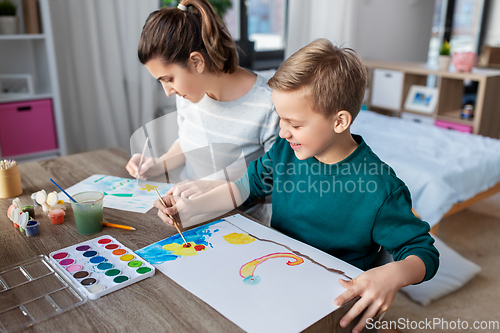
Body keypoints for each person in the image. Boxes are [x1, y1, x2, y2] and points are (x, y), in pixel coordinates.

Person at [154, 38, 440, 332]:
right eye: (280, 119)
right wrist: (191, 208)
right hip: (273, 275)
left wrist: (392, 274)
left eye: (295, 123)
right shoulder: (284, 151)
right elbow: (245, 186)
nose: (283, 132)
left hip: (331, 304)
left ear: (340, 121)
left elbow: (424, 252)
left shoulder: (380, 188)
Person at [126, 0, 278, 218]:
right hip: (187, 213)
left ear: (197, 62)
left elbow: (276, 180)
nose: (168, 91)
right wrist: (159, 165)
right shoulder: (190, 93)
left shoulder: (269, 105)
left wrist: (214, 187)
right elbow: (189, 142)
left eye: (169, 79)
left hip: (239, 222)